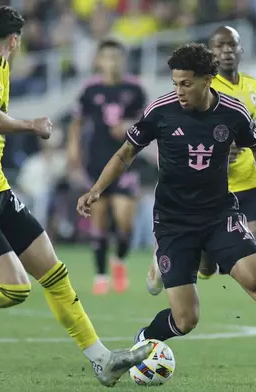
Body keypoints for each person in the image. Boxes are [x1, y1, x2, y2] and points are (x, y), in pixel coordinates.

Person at [77, 43, 256, 390]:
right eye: (175, 83)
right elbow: (126, 153)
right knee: (186, 319)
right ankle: (146, 336)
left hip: (221, 216)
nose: (179, 91)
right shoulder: (161, 110)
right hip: (174, 223)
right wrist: (97, 189)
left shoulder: (232, 112)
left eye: (186, 84)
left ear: (208, 80)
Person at [0, 6, 152, 387]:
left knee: (55, 274)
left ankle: (103, 360)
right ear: (14, 40)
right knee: (16, 287)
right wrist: (32, 125)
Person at [145, 25, 256, 366]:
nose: (227, 51)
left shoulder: (253, 87)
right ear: (211, 54)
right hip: (210, 191)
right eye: (219, 46)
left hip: (248, 183)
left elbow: (249, 133)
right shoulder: (203, 85)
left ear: (241, 50)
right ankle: (166, 259)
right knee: (209, 268)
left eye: (233, 45)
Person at [67, 38, 147, 295]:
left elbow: (148, 121)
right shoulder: (90, 89)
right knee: (98, 220)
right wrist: (73, 150)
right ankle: (101, 275)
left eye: (116, 56)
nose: (111, 61)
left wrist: (129, 126)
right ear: (98, 61)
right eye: (107, 56)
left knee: (125, 222)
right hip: (97, 160)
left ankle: (119, 261)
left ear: (123, 60)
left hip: (126, 161)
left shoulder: (135, 88)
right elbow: (77, 122)